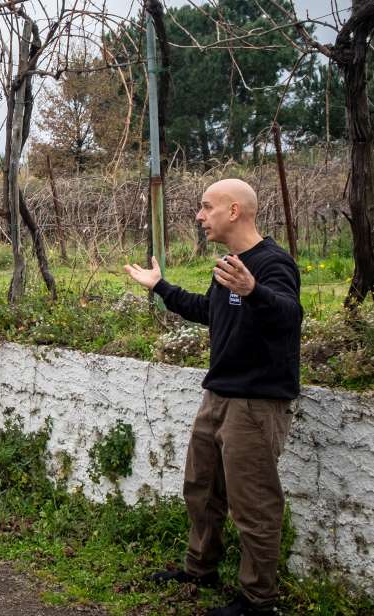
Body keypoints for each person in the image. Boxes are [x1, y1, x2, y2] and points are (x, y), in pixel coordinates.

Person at [125, 178, 302, 616]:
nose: (200, 216)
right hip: (218, 396)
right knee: (200, 489)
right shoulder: (229, 264)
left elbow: (289, 316)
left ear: (235, 211)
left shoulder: (272, 263)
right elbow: (209, 312)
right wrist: (161, 287)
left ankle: (257, 600)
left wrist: (252, 290)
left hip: (256, 404)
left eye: (206, 207)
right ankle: (199, 569)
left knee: (254, 504)